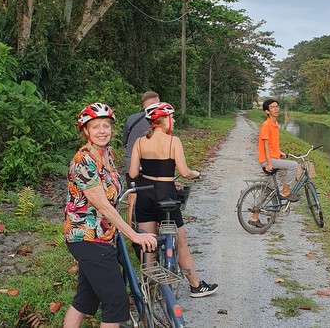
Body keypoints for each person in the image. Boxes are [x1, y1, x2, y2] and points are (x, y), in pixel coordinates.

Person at [63, 102, 158, 328]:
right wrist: (134, 235)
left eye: (106, 125)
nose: (102, 131)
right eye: (95, 126)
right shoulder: (83, 161)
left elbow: (117, 194)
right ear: (86, 131)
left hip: (103, 236)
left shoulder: (106, 154)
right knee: (115, 302)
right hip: (87, 237)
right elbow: (104, 207)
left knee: (85, 300)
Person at [129, 101, 218, 298]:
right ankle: (195, 285)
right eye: (172, 117)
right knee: (181, 242)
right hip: (165, 194)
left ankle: (148, 288)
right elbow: (184, 172)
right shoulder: (173, 141)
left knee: (149, 242)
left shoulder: (139, 142)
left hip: (144, 193)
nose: (175, 120)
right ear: (164, 120)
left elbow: (133, 172)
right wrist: (195, 173)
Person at [249, 98, 300, 228]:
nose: (276, 109)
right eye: (272, 107)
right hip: (268, 160)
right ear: (267, 111)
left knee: (268, 190)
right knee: (294, 165)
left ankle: (254, 217)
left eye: (277, 106)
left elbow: (272, 145)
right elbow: (265, 146)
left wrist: (279, 152)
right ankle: (285, 191)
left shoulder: (275, 124)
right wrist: (269, 163)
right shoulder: (266, 125)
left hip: (272, 158)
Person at [122, 90, 160, 224]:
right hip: (151, 162)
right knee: (153, 193)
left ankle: (130, 227)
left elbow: (124, 140)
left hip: (130, 161)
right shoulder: (159, 120)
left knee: (132, 195)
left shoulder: (131, 118)